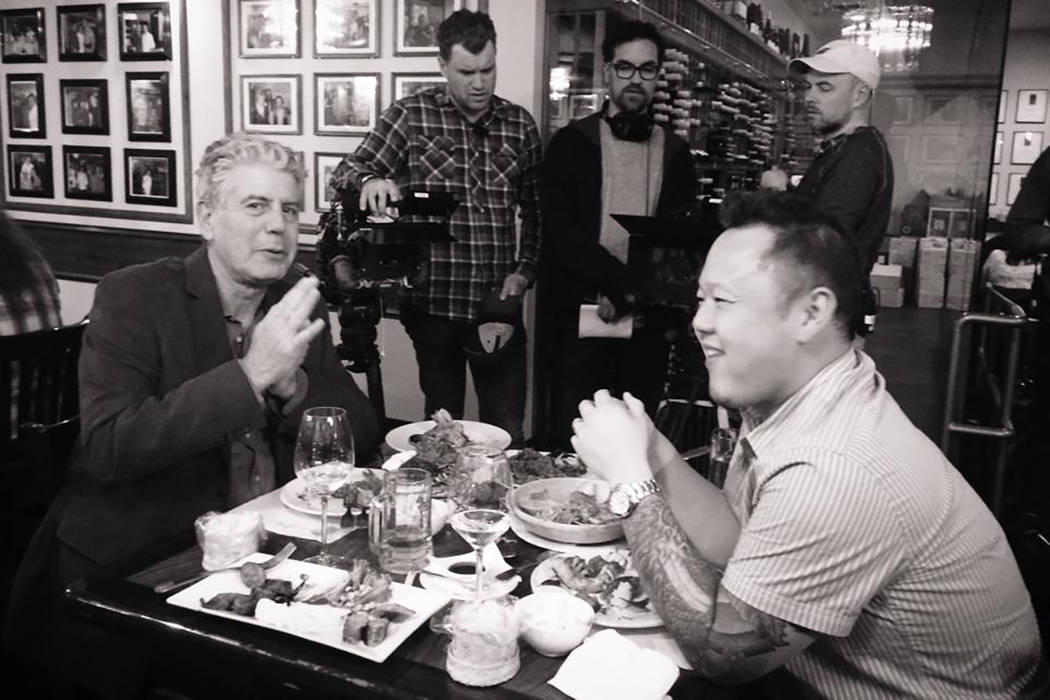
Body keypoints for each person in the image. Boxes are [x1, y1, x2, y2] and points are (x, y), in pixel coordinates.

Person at [570, 190, 1046, 697]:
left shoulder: (835, 467)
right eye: (701, 300)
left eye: (723, 301)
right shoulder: (812, 393)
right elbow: (736, 541)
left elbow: (722, 655)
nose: (700, 321)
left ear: (812, 313)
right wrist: (651, 449)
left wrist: (630, 482)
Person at [4, 133, 380, 696]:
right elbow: (110, 448)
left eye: (288, 209)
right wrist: (250, 376)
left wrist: (295, 386)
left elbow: (362, 431)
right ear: (206, 218)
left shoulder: (296, 299)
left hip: (273, 560)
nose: (277, 226)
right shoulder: (135, 296)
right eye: (255, 206)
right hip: (140, 574)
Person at [328, 9, 541, 443]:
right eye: (466, 72)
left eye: (488, 70)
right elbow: (347, 170)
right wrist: (371, 181)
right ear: (442, 65)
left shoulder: (519, 125)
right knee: (443, 429)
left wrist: (525, 270)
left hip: (498, 305)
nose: (479, 83)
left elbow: (536, 212)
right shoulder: (410, 116)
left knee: (507, 430)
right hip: (433, 305)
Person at [540, 20, 696, 449]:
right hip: (580, 320)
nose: (635, 79)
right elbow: (560, 234)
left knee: (636, 440)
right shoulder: (570, 144)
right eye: (625, 67)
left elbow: (679, 244)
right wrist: (615, 282)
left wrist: (632, 294)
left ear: (658, 75)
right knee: (573, 437)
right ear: (607, 71)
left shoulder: (678, 155)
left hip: (648, 327)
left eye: (647, 69)